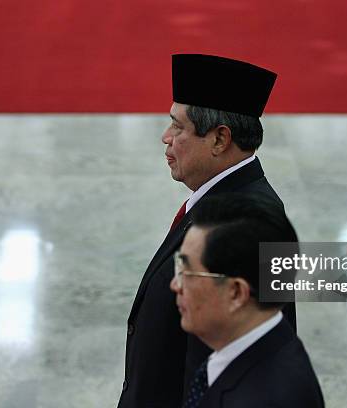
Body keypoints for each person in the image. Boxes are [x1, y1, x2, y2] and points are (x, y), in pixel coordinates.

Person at [118, 54, 296, 408]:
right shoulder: (218, 200)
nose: (165, 138)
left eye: (178, 127)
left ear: (219, 139)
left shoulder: (246, 227)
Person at [171, 194, 324, 408]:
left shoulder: (268, 398)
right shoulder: (260, 347)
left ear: (236, 292)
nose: (175, 285)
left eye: (188, 273)